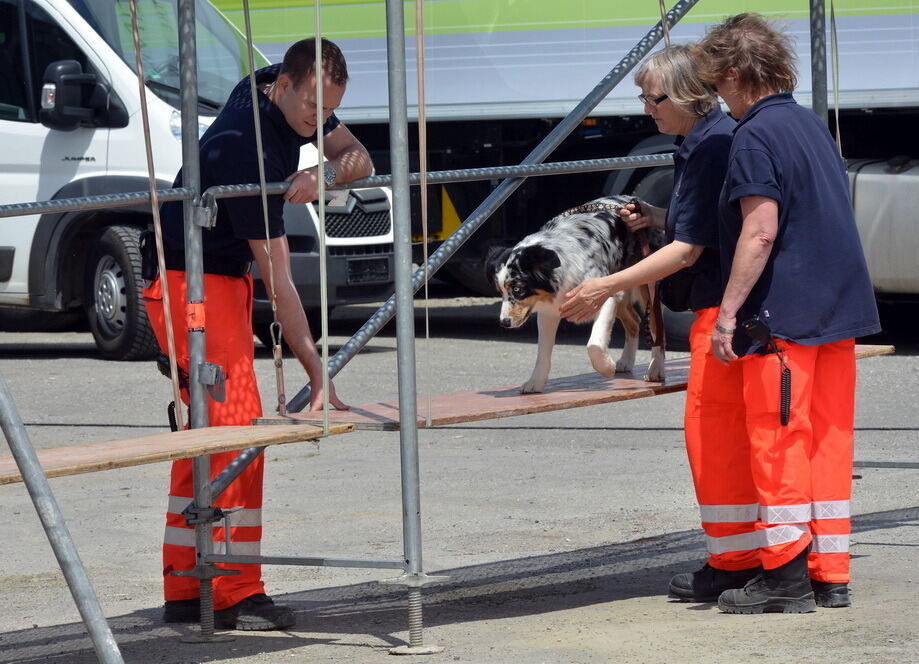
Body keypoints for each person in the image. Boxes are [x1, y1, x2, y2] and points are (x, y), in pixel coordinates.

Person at [143, 37, 371, 630]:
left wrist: (322, 170)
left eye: (327, 112)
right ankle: (226, 592)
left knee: (220, 436)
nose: (317, 122)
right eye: (309, 113)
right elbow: (282, 283)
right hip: (186, 284)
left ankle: (196, 587)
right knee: (231, 436)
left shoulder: (272, 81)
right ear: (285, 87)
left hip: (212, 280)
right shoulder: (247, 156)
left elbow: (360, 158)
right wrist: (318, 374)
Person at [691, 13, 881, 614]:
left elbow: (760, 230)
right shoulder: (808, 126)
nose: (716, 97)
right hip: (837, 312)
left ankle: (785, 577)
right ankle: (830, 574)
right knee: (826, 441)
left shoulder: (753, 136)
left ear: (735, 72)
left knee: (776, 442)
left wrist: (727, 316)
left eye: (716, 83)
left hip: (782, 320)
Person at [559, 45, 762, 602]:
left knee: (715, 442)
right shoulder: (702, 141)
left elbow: (689, 249)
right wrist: (655, 218)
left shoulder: (710, 146)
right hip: (722, 311)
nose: (647, 108)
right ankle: (739, 558)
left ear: (688, 95)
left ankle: (735, 561)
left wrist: (604, 285)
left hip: (720, 315)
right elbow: (701, 225)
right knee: (721, 443)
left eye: (654, 98)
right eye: (643, 97)